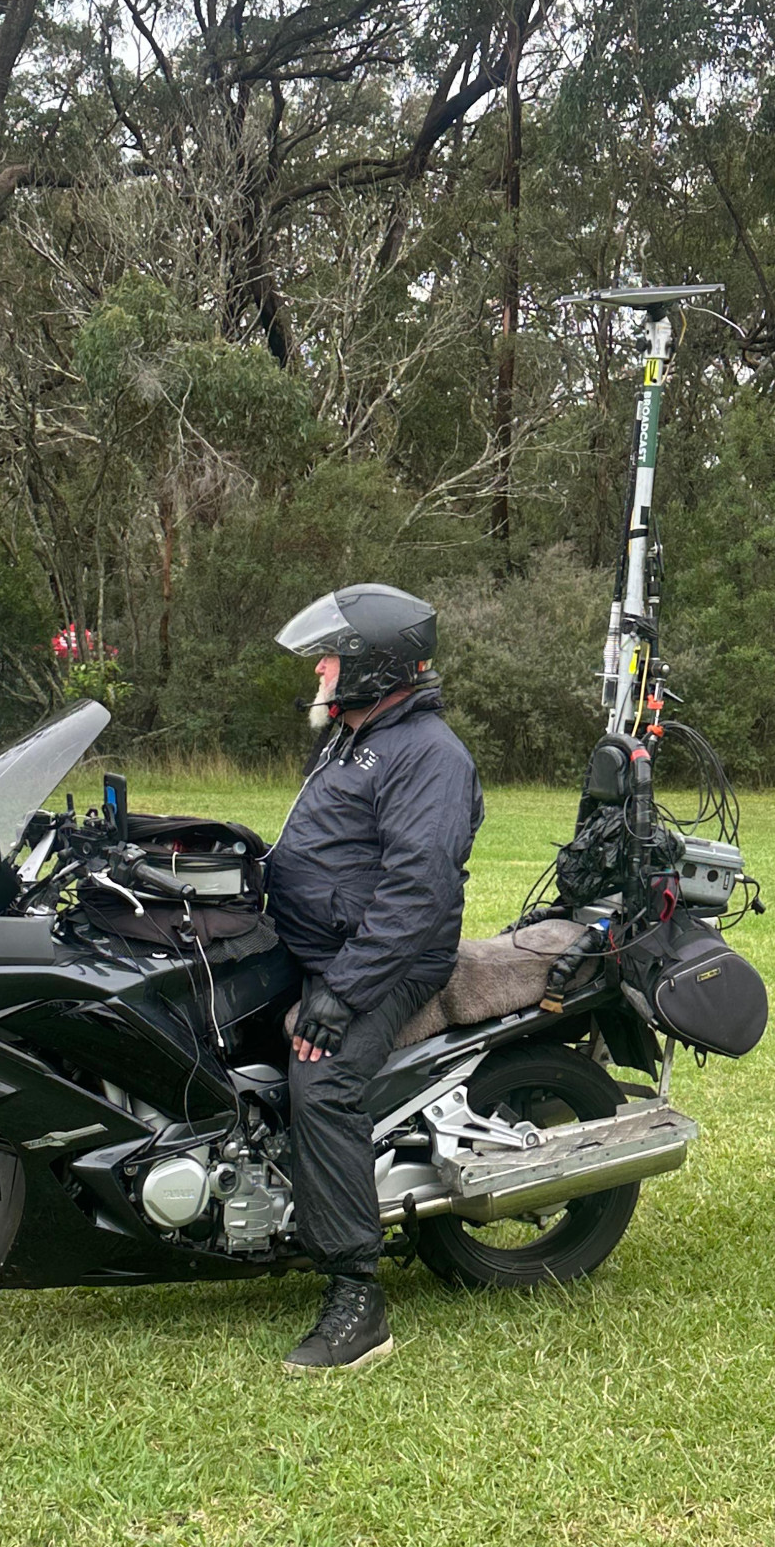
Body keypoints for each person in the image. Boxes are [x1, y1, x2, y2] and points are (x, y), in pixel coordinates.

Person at [268, 584, 485, 1375]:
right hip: (325, 943)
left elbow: (417, 893)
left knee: (321, 1082)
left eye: (331, 657)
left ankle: (356, 1298)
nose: (319, 669)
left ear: (372, 667)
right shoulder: (354, 735)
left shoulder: (429, 754)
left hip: (387, 958)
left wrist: (343, 991)